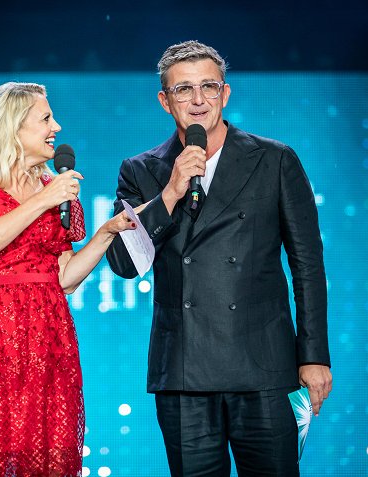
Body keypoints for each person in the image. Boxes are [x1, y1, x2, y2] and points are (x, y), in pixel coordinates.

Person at [105, 41, 333, 476]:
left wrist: (314, 355)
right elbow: (124, 264)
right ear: (164, 101)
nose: (197, 101)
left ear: (225, 95)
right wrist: (170, 193)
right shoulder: (141, 170)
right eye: (183, 90)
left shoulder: (274, 159)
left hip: (264, 366)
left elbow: (308, 264)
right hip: (185, 371)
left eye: (208, 87)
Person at [0, 82, 134, 477]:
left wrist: (106, 233)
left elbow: (64, 279)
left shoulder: (53, 188)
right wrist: (42, 200)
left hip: (48, 342)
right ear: (12, 128)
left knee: (46, 463)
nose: (56, 127)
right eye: (45, 118)